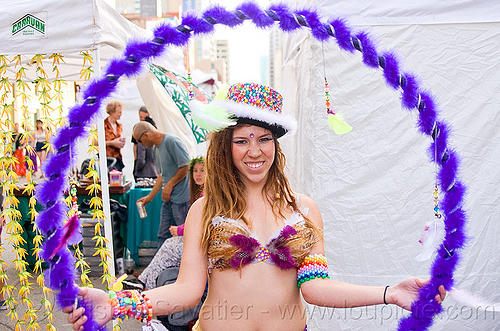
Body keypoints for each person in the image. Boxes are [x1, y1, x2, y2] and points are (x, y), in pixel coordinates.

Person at [64, 83, 446, 331]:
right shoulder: (206, 211)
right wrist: (117, 303)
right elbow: (185, 291)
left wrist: (389, 293)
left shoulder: (305, 209)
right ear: (226, 146)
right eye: (242, 140)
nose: (254, 151)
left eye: (264, 139)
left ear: (276, 145)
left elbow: (316, 288)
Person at [138, 156, 206, 290]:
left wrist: (180, 230)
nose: (198, 174)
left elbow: (203, 222)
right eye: (195, 171)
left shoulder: (206, 195)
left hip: (203, 244)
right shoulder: (199, 194)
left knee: (169, 247)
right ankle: (144, 282)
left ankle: (146, 285)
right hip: (200, 240)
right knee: (168, 244)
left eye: (202, 170)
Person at [132, 122, 190, 248]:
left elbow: (185, 166)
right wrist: (149, 197)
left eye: (139, 141)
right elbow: (160, 176)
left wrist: (169, 185)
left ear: (146, 135)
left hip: (181, 200)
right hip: (169, 199)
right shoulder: (155, 148)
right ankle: (161, 266)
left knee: (184, 236)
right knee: (163, 235)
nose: (141, 144)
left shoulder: (171, 142)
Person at [132, 106, 158, 182]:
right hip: (154, 170)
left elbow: (141, 157)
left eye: (144, 117)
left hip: (144, 172)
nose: (142, 119)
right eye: (140, 117)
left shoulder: (142, 132)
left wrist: (137, 167)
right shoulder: (155, 129)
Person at [104, 101, 125, 171]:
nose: (121, 114)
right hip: (107, 158)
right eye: (119, 112)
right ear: (112, 112)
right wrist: (112, 143)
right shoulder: (103, 125)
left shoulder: (119, 126)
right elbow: (95, 142)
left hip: (117, 158)